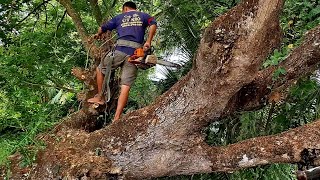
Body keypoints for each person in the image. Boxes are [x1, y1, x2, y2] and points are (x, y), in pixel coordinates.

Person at [87, 1, 157, 121]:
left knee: (100, 69)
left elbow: (102, 28)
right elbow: (154, 24)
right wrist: (148, 41)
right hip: (135, 56)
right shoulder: (144, 16)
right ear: (135, 8)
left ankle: (100, 97)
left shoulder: (119, 17)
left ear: (124, 8)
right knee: (125, 86)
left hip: (119, 51)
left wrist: (98, 34)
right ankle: (117, 117)